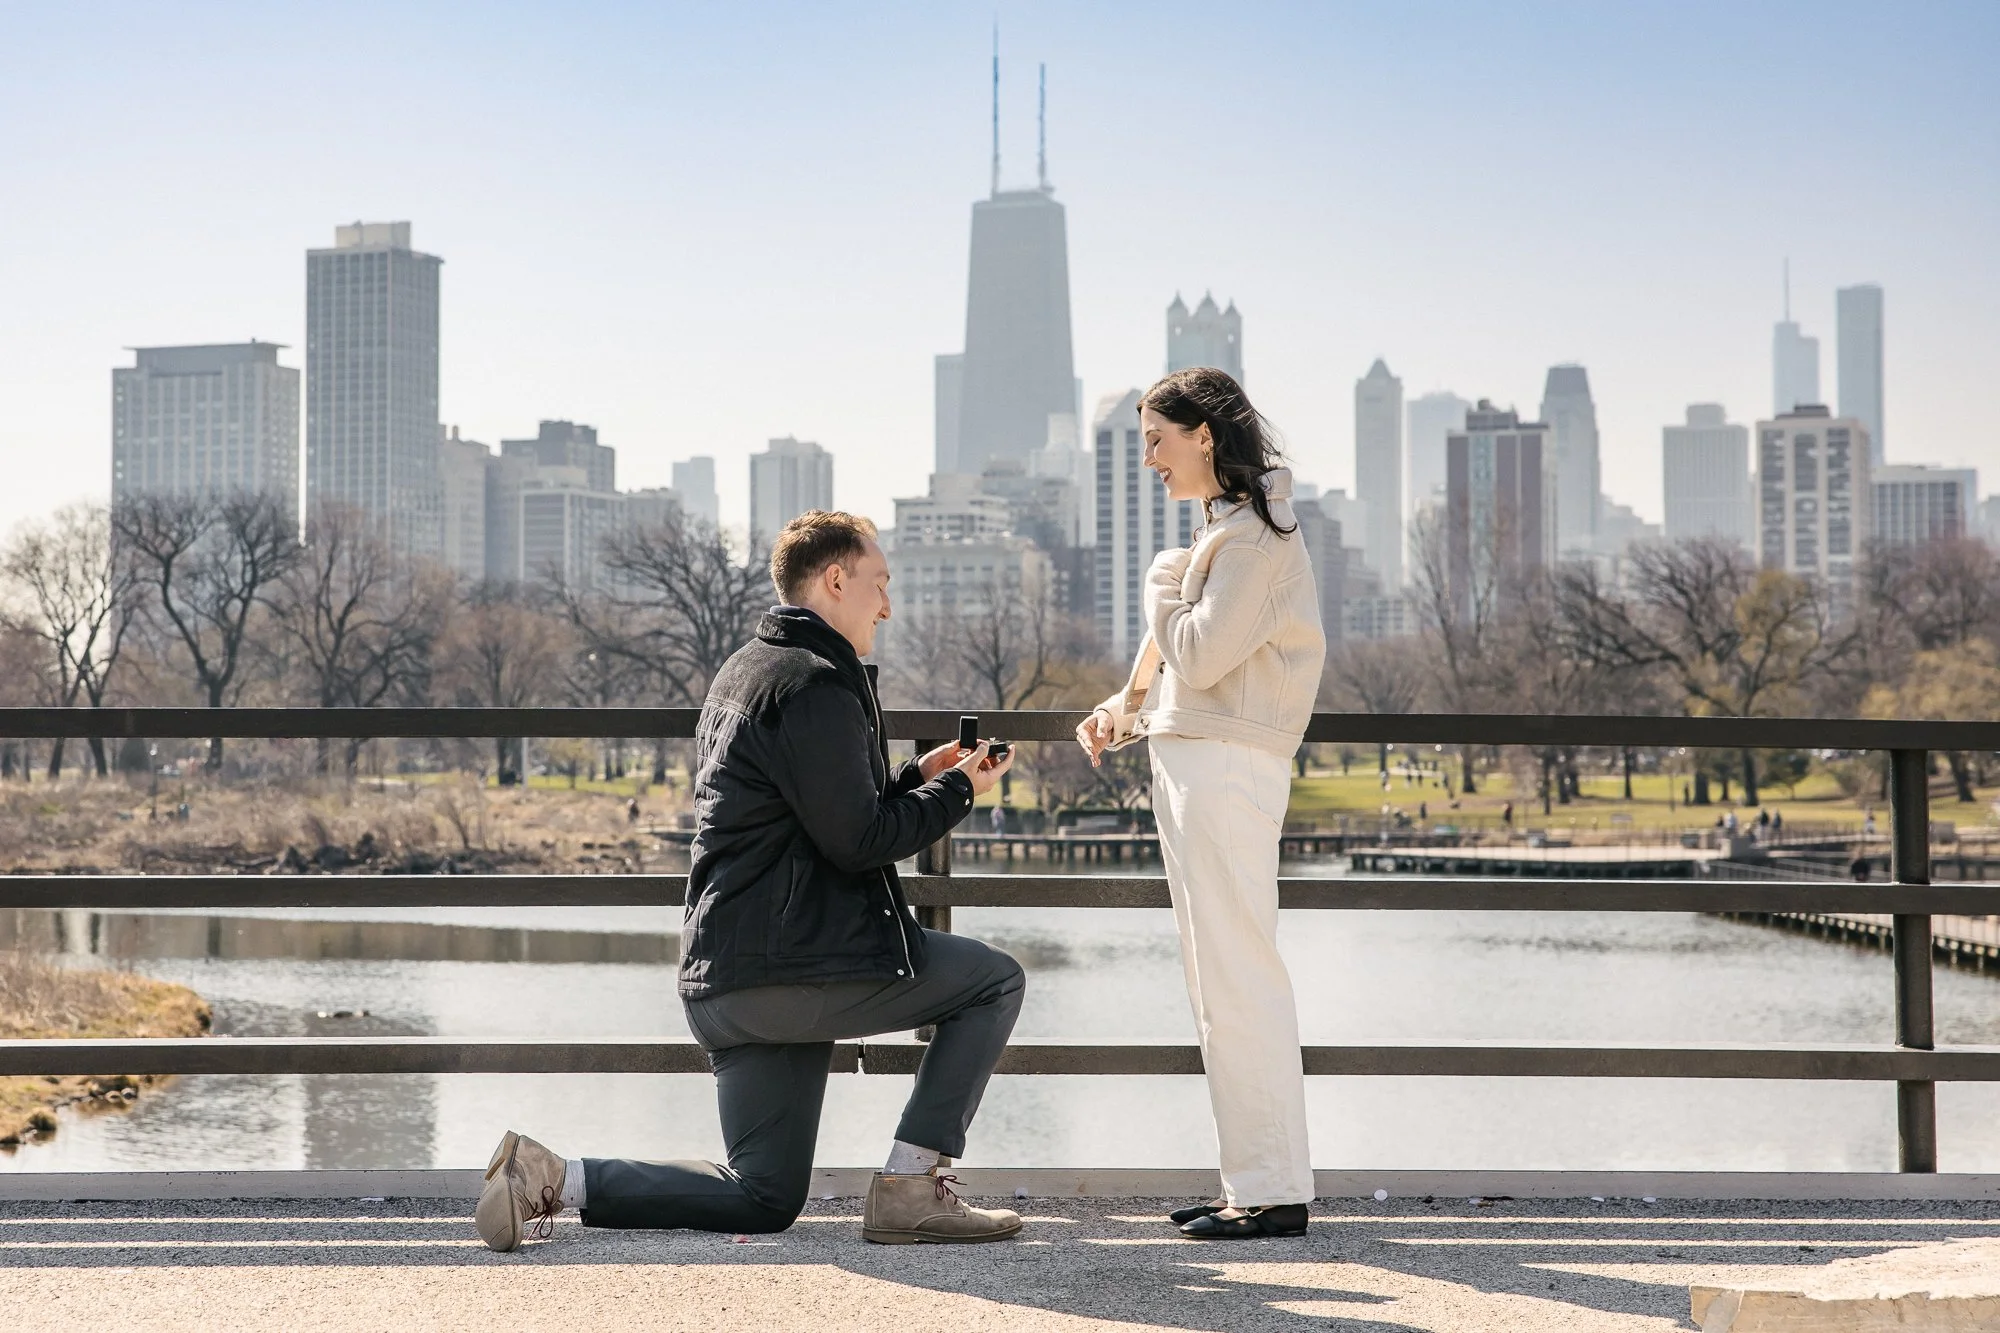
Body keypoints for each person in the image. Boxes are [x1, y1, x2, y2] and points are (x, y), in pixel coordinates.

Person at [477, 510, 1023, 1252]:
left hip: (727, 976)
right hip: (794, 968)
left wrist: (914, 778)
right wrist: (960, 794)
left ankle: (552, 1176)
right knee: (993, 981)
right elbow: (858, 841)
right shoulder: (818, 683)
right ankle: (911, 1185)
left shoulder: (745, 669)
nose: (887, 606)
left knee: (764, 1193)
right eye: (879, 583)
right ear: (835, 579)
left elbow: (814, 812)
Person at [1076, 368, 1324, 1241]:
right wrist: (1124, 707)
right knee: (1219, 979)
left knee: (1239, 976)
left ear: (1204, 437)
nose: (1147, 458)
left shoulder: (1251, 539)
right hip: (1202, 764)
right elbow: (1181, 652)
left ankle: (1271, 1190)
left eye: (1156, 439)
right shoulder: (1226, 534)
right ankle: (1253, 1184)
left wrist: (1158, 579)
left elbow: (1204, 651)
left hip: (1225, 771)